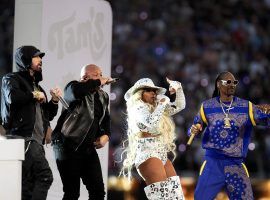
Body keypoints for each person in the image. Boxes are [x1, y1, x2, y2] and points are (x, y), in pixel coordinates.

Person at [188, 71, 270, 200]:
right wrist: (194, 130)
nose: (232, 85)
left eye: (234, 82)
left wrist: (268, 112)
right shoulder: (207, 106)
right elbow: (195, 127)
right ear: (218, 85)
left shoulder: (246, 106)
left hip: (235, 164)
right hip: (212, 164)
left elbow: (265, 119)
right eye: (228, 82)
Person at [1, 45, 62, 200]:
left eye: (40, 57)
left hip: (36, 142)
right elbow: (12, 97)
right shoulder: (11, 79)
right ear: (25, 59)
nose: (40, 60)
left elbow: (49, 114)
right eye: (36, 56)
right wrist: (34, 94)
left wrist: (54, 100)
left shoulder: (38, 87)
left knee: (27, 186)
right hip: (23, 138)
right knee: (45, 176)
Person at [52, 64, 112, 200]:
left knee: (98, 192)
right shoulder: (73, 87)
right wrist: (98, 82)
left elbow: (106, 119)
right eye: (97, 75)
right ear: (85, 77)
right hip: (67, 145)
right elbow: (75, 92)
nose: (101, 78)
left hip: (87, 148)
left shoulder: (103, 96)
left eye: (101, 75)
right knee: (72, 193)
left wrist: (106, 135)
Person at [120, 78, 186, 199]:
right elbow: (152, 123)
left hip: (161, 153)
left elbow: (180, 105)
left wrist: (179, 88)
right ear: (139, 94)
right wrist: (162, 103)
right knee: (162, 197)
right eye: (148, 90)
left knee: (177, 197)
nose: (153, 93)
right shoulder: (137, 108)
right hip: (148, 154)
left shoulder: (156, 108)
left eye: (154, 91)